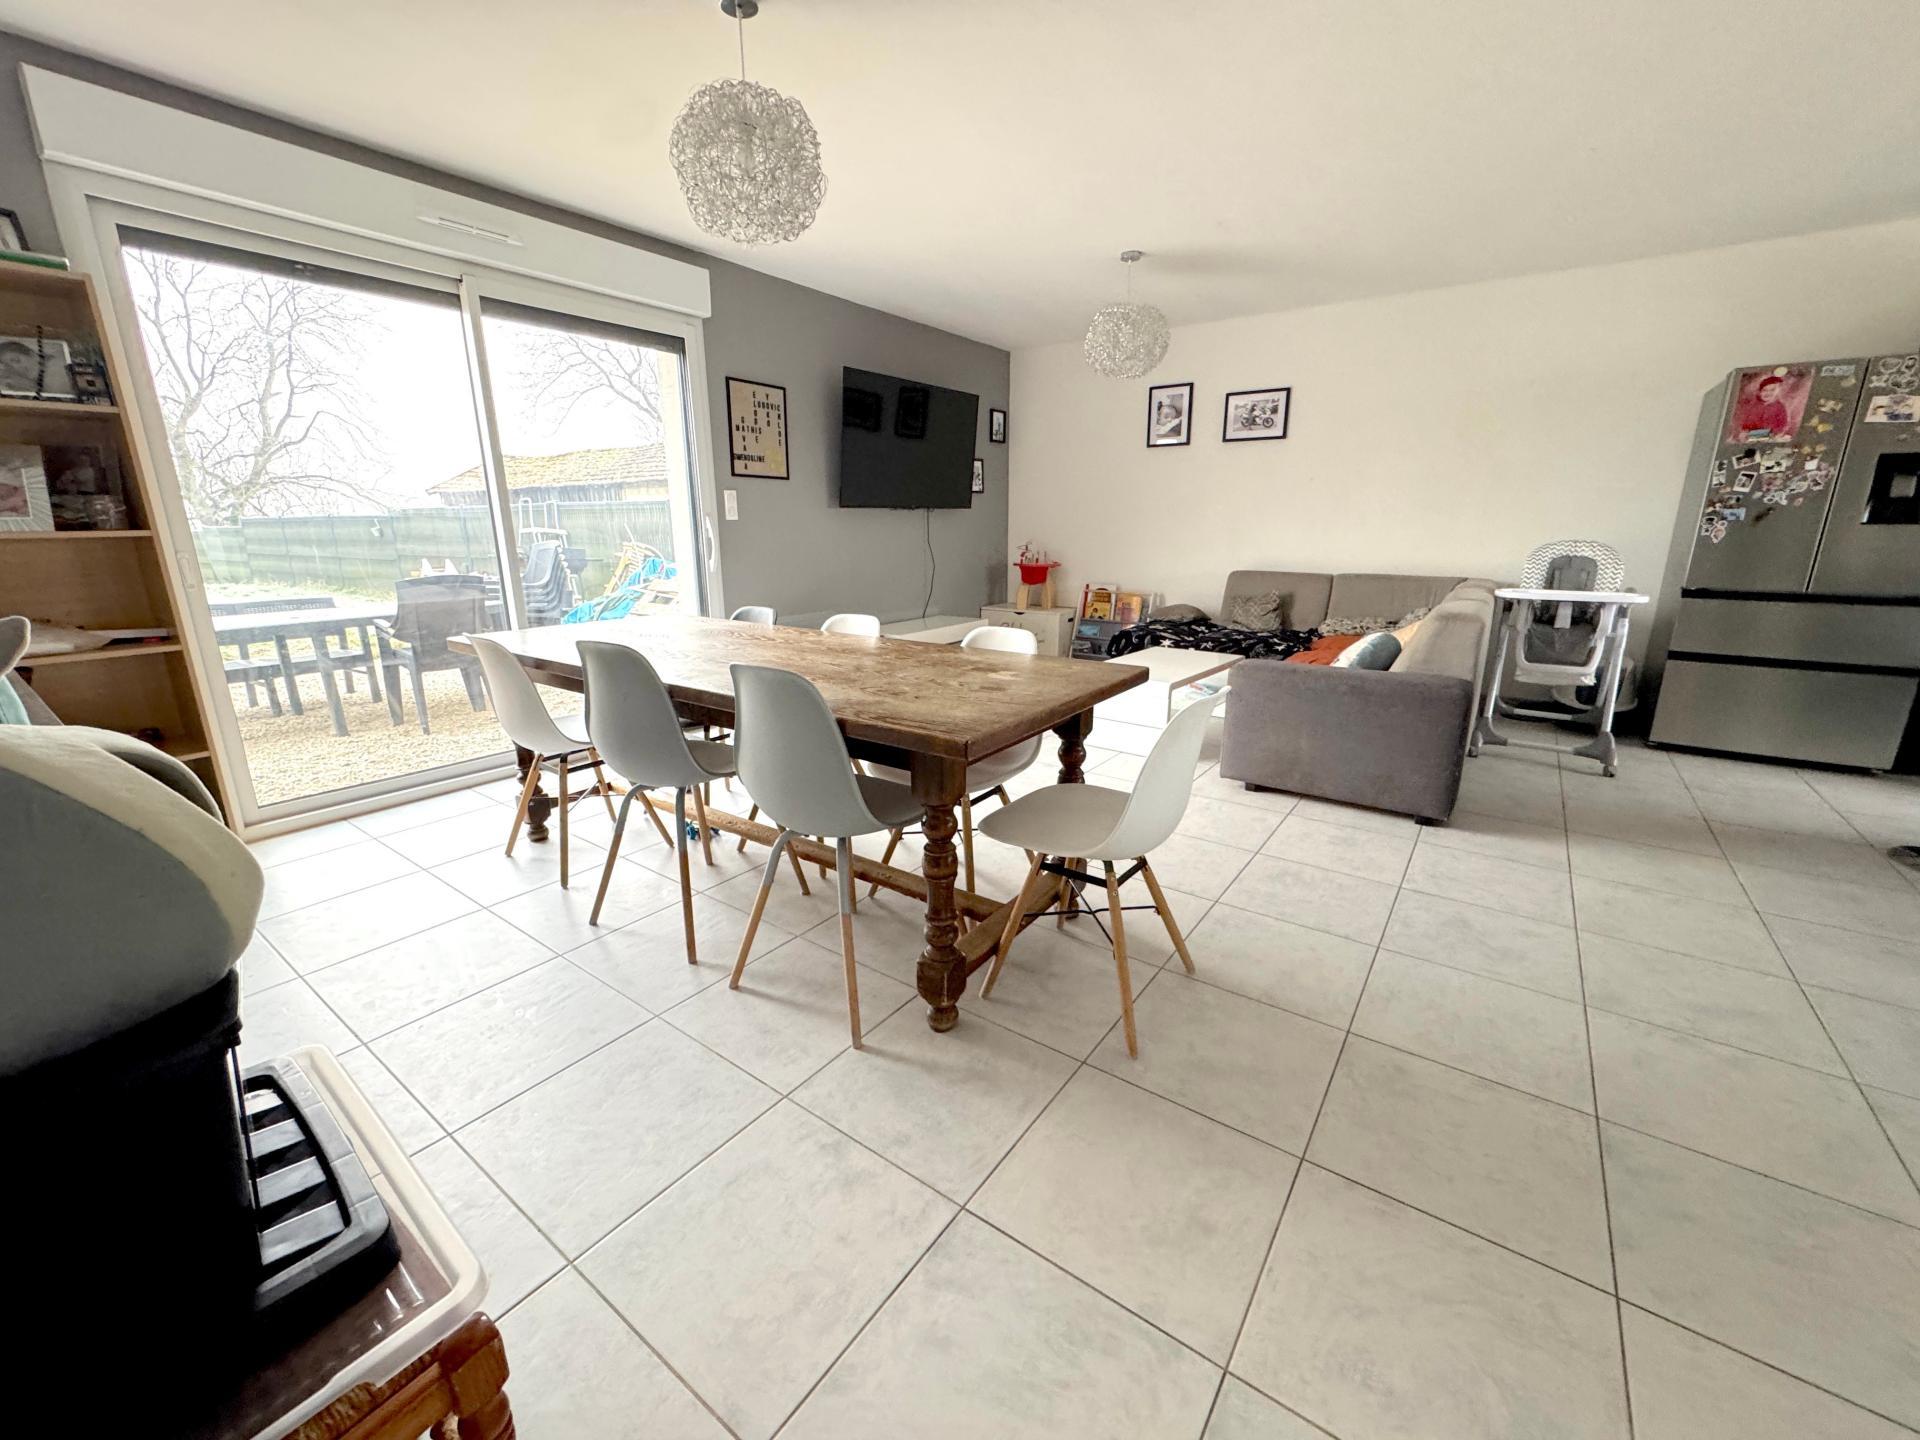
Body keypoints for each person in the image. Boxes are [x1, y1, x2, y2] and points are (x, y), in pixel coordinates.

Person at [1734, 374, 1794, 439]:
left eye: (1772, 390)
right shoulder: (1754, 406)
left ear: (1777, 391)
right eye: (1764, 390)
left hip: (1772, 435)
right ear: (1760, 392)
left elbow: (1783, 426)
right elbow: (1747, 424)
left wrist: (1758, 434)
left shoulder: (1780, 407)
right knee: (1742, 436)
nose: (1768, 393)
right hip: (1754, 435)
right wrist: (1746, 431)